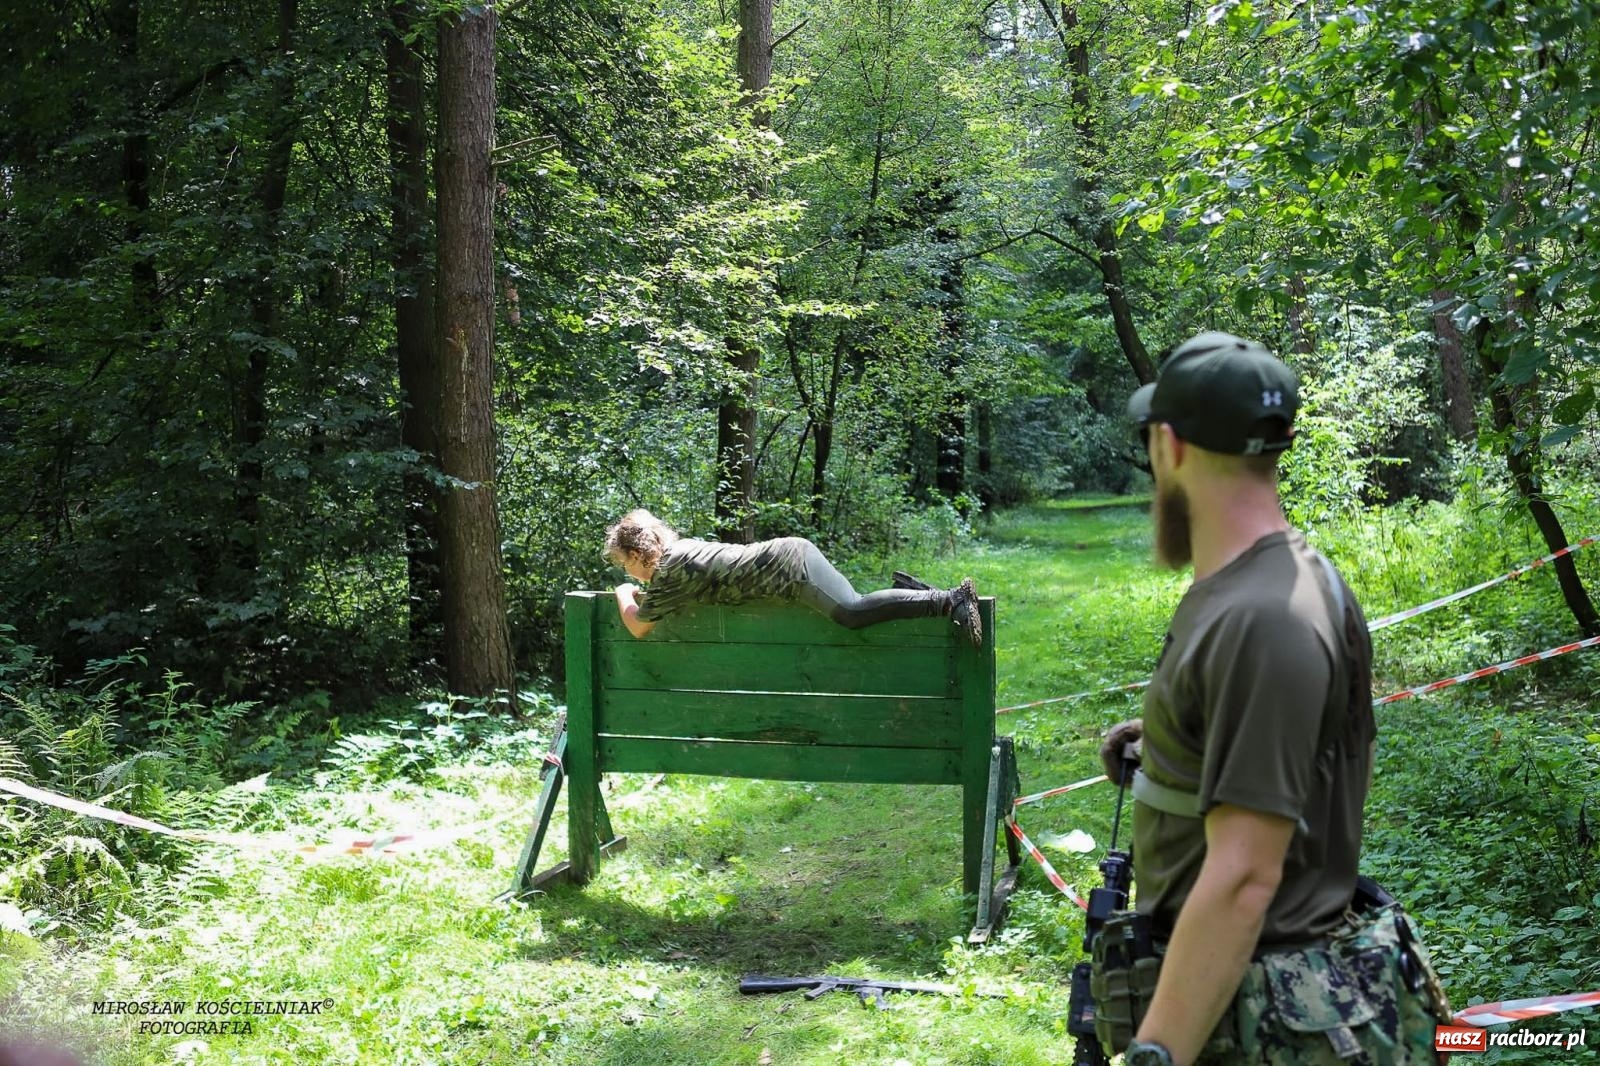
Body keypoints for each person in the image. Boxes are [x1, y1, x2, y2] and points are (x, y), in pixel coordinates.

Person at [1095, 332, 1449, 1066]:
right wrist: (1172, 744)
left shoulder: (1263, 617)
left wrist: (1157, 1053)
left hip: (1264, 1023)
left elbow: (1245, 877)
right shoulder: (1271, 582)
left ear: (1170, 446)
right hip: (1246, 1003)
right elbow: (1306, 755)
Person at [603, 509, 984, 647]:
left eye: (626, 565)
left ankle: (951, 599)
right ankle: (914, 594)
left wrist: (624, 593)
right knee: (854, 603)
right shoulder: (678, 556)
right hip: (791, 558)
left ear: (637, 554)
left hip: (792, 569)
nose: (629, 572)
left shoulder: (670, 571)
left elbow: (638, 627)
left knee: (851, 612)